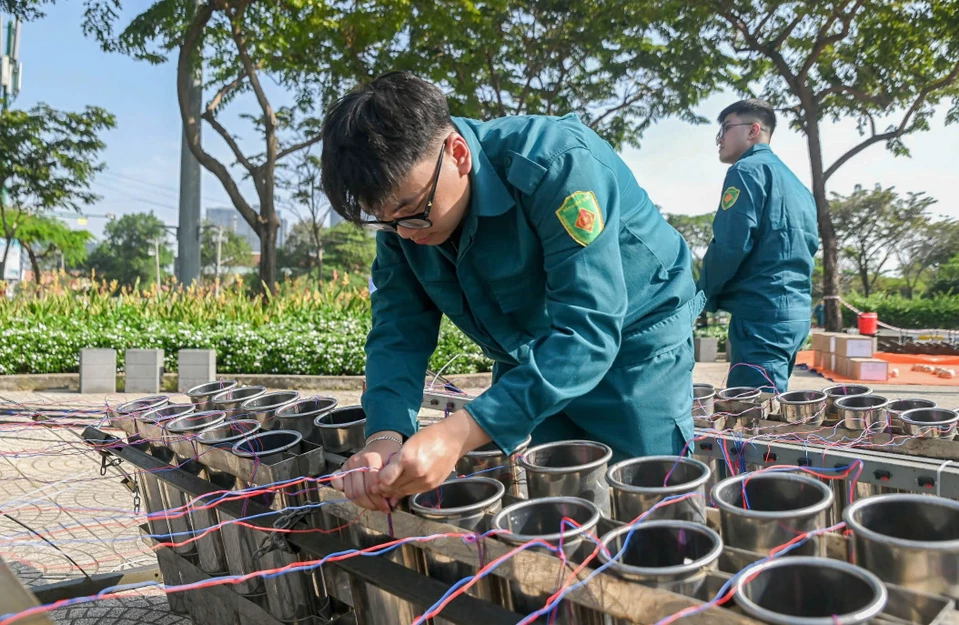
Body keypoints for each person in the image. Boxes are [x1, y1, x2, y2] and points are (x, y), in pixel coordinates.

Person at [321, 71, 703, 512]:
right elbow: (397, 329)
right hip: (531, 351)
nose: (403, 235)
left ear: (458, 154)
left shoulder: (555, 164)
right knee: (561, 504)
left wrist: (459, 433)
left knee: (652, 501)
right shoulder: (403, 220)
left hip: (634, 344)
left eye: (411, 212)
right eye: (384, 221)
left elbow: (589, 330)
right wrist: (385, 434)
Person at [698, 99, 818, 393]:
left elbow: (730, 245)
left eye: (726, 128)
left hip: (760, 319)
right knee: (772, 409)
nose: (719, 139)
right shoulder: (798, 186)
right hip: (794, 315)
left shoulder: (747, 171)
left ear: (753, 130)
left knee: (751, 422)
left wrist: (701, 295)